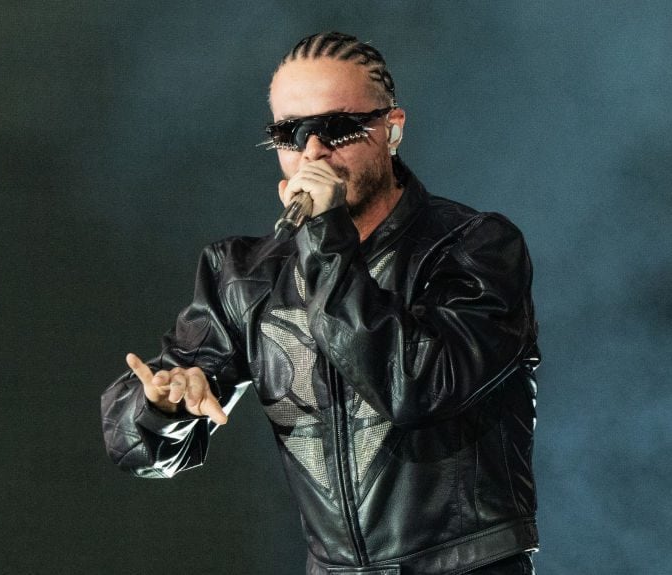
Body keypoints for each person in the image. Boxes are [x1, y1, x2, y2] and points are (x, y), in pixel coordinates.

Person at [101, 31, 541, 574]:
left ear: (392, 129)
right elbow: (139, 447)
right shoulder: (246, 276)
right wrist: (162, 408)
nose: (312, 151)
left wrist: (326, 238)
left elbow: (413, 387)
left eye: (336, 127)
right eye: (289, 132)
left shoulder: (475, 248)